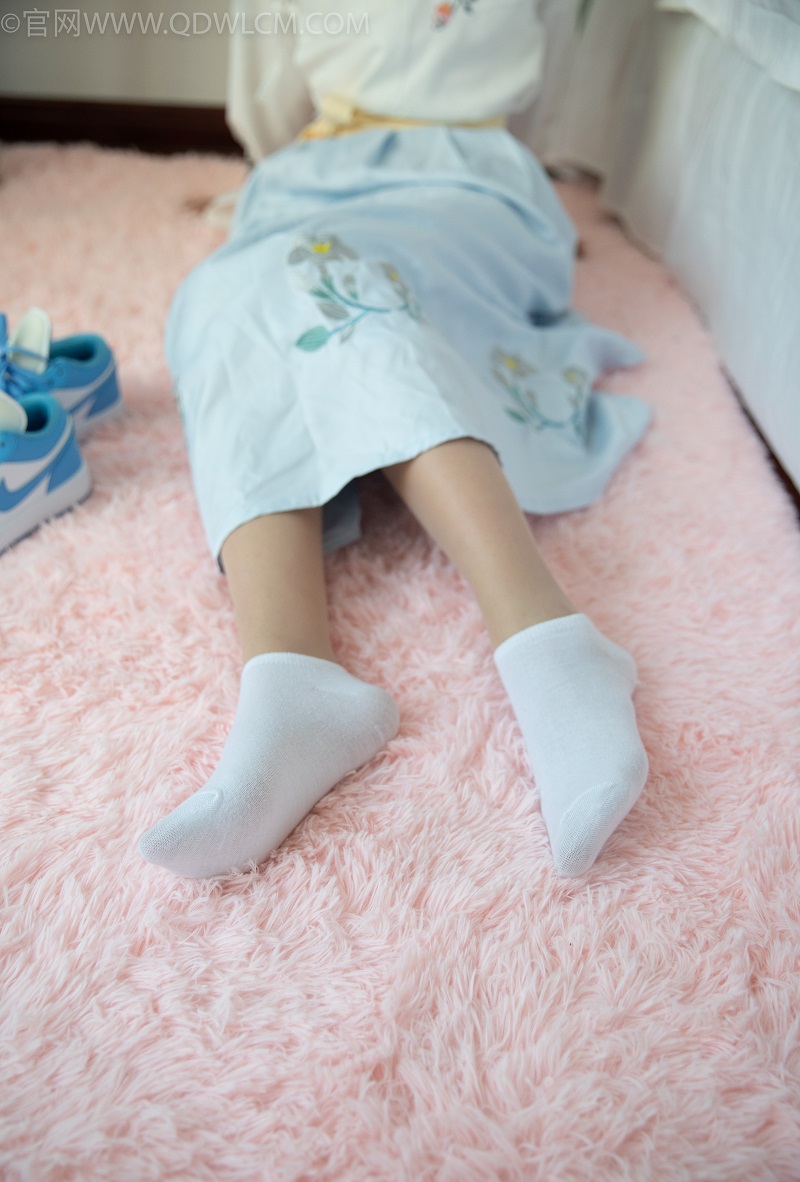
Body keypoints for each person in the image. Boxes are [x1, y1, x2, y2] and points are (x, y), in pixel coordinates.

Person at [138, 0, 650, 880]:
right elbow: (265, 97)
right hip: (311, 176)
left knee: (323, 277)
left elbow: (550, 79)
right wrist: (269, 182)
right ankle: (290, 676)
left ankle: (549, 638)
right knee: (225, 293)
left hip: (473, 184)